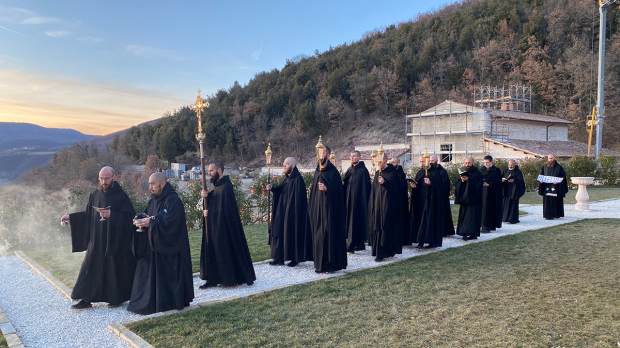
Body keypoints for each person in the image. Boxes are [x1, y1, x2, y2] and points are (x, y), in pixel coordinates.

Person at [60, 166, 136, 310]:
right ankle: (86, 299)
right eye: (101, 178)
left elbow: (129, 217)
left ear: (113, 177)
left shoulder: (121, 196)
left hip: (114, 240)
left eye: (106, 178)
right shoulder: (95, 194)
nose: (104, 181)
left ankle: (116, 298)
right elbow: (88, 215)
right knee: (89, 268)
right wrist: (71, 217)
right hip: (97, 240)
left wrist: (111, 215)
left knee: (114, 270)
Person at [128, 172, 194, 315]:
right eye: (150, 184)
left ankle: (169, 302)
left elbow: (171, 222)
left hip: (170, 248)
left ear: (162, 183)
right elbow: (148, 215)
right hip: (154, 248)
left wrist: (151, 222)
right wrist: (140, 219)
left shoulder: (173, 200)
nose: (150, 187)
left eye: (153, 184)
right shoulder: (153, 200)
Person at [199, 162, 256, 288]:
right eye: (208, 171)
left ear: (219, 170)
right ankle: (214, 278)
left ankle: (229, 278)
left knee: (225, 251)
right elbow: (214, 202)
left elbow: (224, 210)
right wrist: (206, 200)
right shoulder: (218, 187)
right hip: (215, 228)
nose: (209, 173)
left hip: (223, 229)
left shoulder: (226, 187)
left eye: (212, 170)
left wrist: (209, 209)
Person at [267, 157, 313, 266]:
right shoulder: (287, 179)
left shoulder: (298, 180)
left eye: (286, 165)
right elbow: (281, 190)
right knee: (279, 232)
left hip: (292, 214)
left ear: (292, 165)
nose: (284, 167)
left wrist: (292, 213)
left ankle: (295, 258)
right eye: (283, 165)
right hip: (282, 212)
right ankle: (279, 258)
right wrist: (272, 188)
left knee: (292, 234)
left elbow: (299, 201)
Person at [308, 145, 347, 273]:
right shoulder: (317, 171)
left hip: (330, 211)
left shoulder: (333, 172)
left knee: (328, 236)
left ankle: (331, 264)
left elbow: (339, 192)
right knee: (319, 236)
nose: (321, 154)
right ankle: (320, 264)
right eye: (319, 152)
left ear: (328, 154)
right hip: (318, 211)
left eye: (323, 152)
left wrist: (327, 189)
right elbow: (313, 192)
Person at [415, 155, 454, 248]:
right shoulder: (424, 172)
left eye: (432, 160)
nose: (430, 162)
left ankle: (432, 242)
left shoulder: (440, 172)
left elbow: (443, 186)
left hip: (435, 201)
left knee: (432, 221)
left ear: (437, 161)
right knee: (423, 221)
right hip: (425, 201)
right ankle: (421, 241)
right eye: (429, 160)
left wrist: (431, 184)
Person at [368, 154, 400, 261]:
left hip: (388, 205)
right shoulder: (378, 173)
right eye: (378, 162)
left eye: (381, 161)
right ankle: (378, 251)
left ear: (386, 161)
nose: (379, 164)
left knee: (385, 226)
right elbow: (374, 189)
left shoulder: (392, 172)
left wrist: (385, 183)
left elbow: (396, 188)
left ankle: (385, 251)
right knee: (377, 227)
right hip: (378, 205)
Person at [343, 150, 371, 253]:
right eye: (351, 156)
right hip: (349, 200)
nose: (352, 158)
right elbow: (346, 183)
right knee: (351, 222)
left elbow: (366, 187)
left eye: (354, 156)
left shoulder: (363, 171)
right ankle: (358, 245)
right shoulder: (350, 169)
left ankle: (352, 245)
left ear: (359, 157)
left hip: (358, 202)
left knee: (355, 222)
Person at [455, 157, 483, 241]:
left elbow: (478, 185)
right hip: (465, 199)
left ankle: (470, 234)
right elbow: (458, 184)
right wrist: (462, 180)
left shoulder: (477, 173)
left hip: (473, 199)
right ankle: (465, 233)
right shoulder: (463, 172)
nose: (467, 164)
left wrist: (469, 180)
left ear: (472, 163)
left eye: (469, 163)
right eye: (466, 163)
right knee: (464, 216)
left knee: (471, 217)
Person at [538, 154, 568, 220]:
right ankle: (547, 215)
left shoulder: (559, 167)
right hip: (546, 187)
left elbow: (563, 177)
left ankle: (556, 214)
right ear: (547, 159)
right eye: (549, 158)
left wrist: (558, 181)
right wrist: (541, 180)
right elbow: (541, 175)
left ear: (554, 159)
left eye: (551, 158)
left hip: (556, 187)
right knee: (547, 202)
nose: (550, 160)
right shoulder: (544, 167)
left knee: (555, 202)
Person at [480, 155, 503, 233]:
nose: (486, 164)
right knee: (484, 210)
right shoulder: (481, 169)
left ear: (491, 162)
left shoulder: (496, 170)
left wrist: (489, 184)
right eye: (484, 162)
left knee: (491, 210)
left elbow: (498, 181)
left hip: (493, 193)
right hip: (483, 193)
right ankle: (484, 226)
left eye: (487, 162)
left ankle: (491, 225)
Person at [390, 157, 409, 248]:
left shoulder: (401, 173)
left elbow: (402, 187)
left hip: (399, 201)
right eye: (391, 162)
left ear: (397, 163)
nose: (392, 164)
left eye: (394, 162)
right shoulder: (391, 172)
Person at [407, 156, 426, 244]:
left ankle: (423, 239)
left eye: (423, 161)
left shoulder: (430, 172)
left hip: (426, 200)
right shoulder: (419, 172)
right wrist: (413, 186)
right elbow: (418, 185)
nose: (421, 163)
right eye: (420, 161)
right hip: (418, 199)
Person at [502, 159, 526, 224]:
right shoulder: (505, 170)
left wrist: (514, 180)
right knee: (505, 205)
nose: (511, 166)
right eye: (509, 164)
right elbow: (500, 178)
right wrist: (503, 180)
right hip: (506, 191)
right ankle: (505, 219)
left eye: (512, 164)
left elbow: (521, 182)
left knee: (513, 206)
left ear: (515, 164)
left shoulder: (518, 172)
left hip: (514, 192)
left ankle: (512, 219)